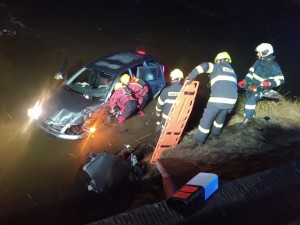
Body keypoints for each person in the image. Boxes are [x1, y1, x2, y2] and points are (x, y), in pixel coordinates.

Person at [185, 52, 238, 145]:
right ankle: (215, 135)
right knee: (220, 119)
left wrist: (190, 77)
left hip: (217, 99)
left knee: (207, 119)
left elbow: (204, 66)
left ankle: (199, 140)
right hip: (231, 101)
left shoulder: (217, 66)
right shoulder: (233, 72)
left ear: (219, 60)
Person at [238, 43, 285, 127]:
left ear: (265, 52)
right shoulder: (258, 61)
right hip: (251, 86)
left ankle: (247, 120)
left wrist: (268, 83)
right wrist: (245, 80)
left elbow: (281, 79)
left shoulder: (274, 65)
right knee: (247, 102)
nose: (257, 54)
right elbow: (250, 73)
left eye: (258, 52)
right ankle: (248, 117)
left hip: (261, 88)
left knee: (250, 100)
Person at [155, 69, 183, 133]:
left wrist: (158, 112)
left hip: (167, 117)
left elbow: (160, 103)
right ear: (180, 79)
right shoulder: (185, 89)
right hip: (179, 116)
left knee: (164, 129)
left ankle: (163, 131)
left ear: (172, 78)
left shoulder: (166, 90)